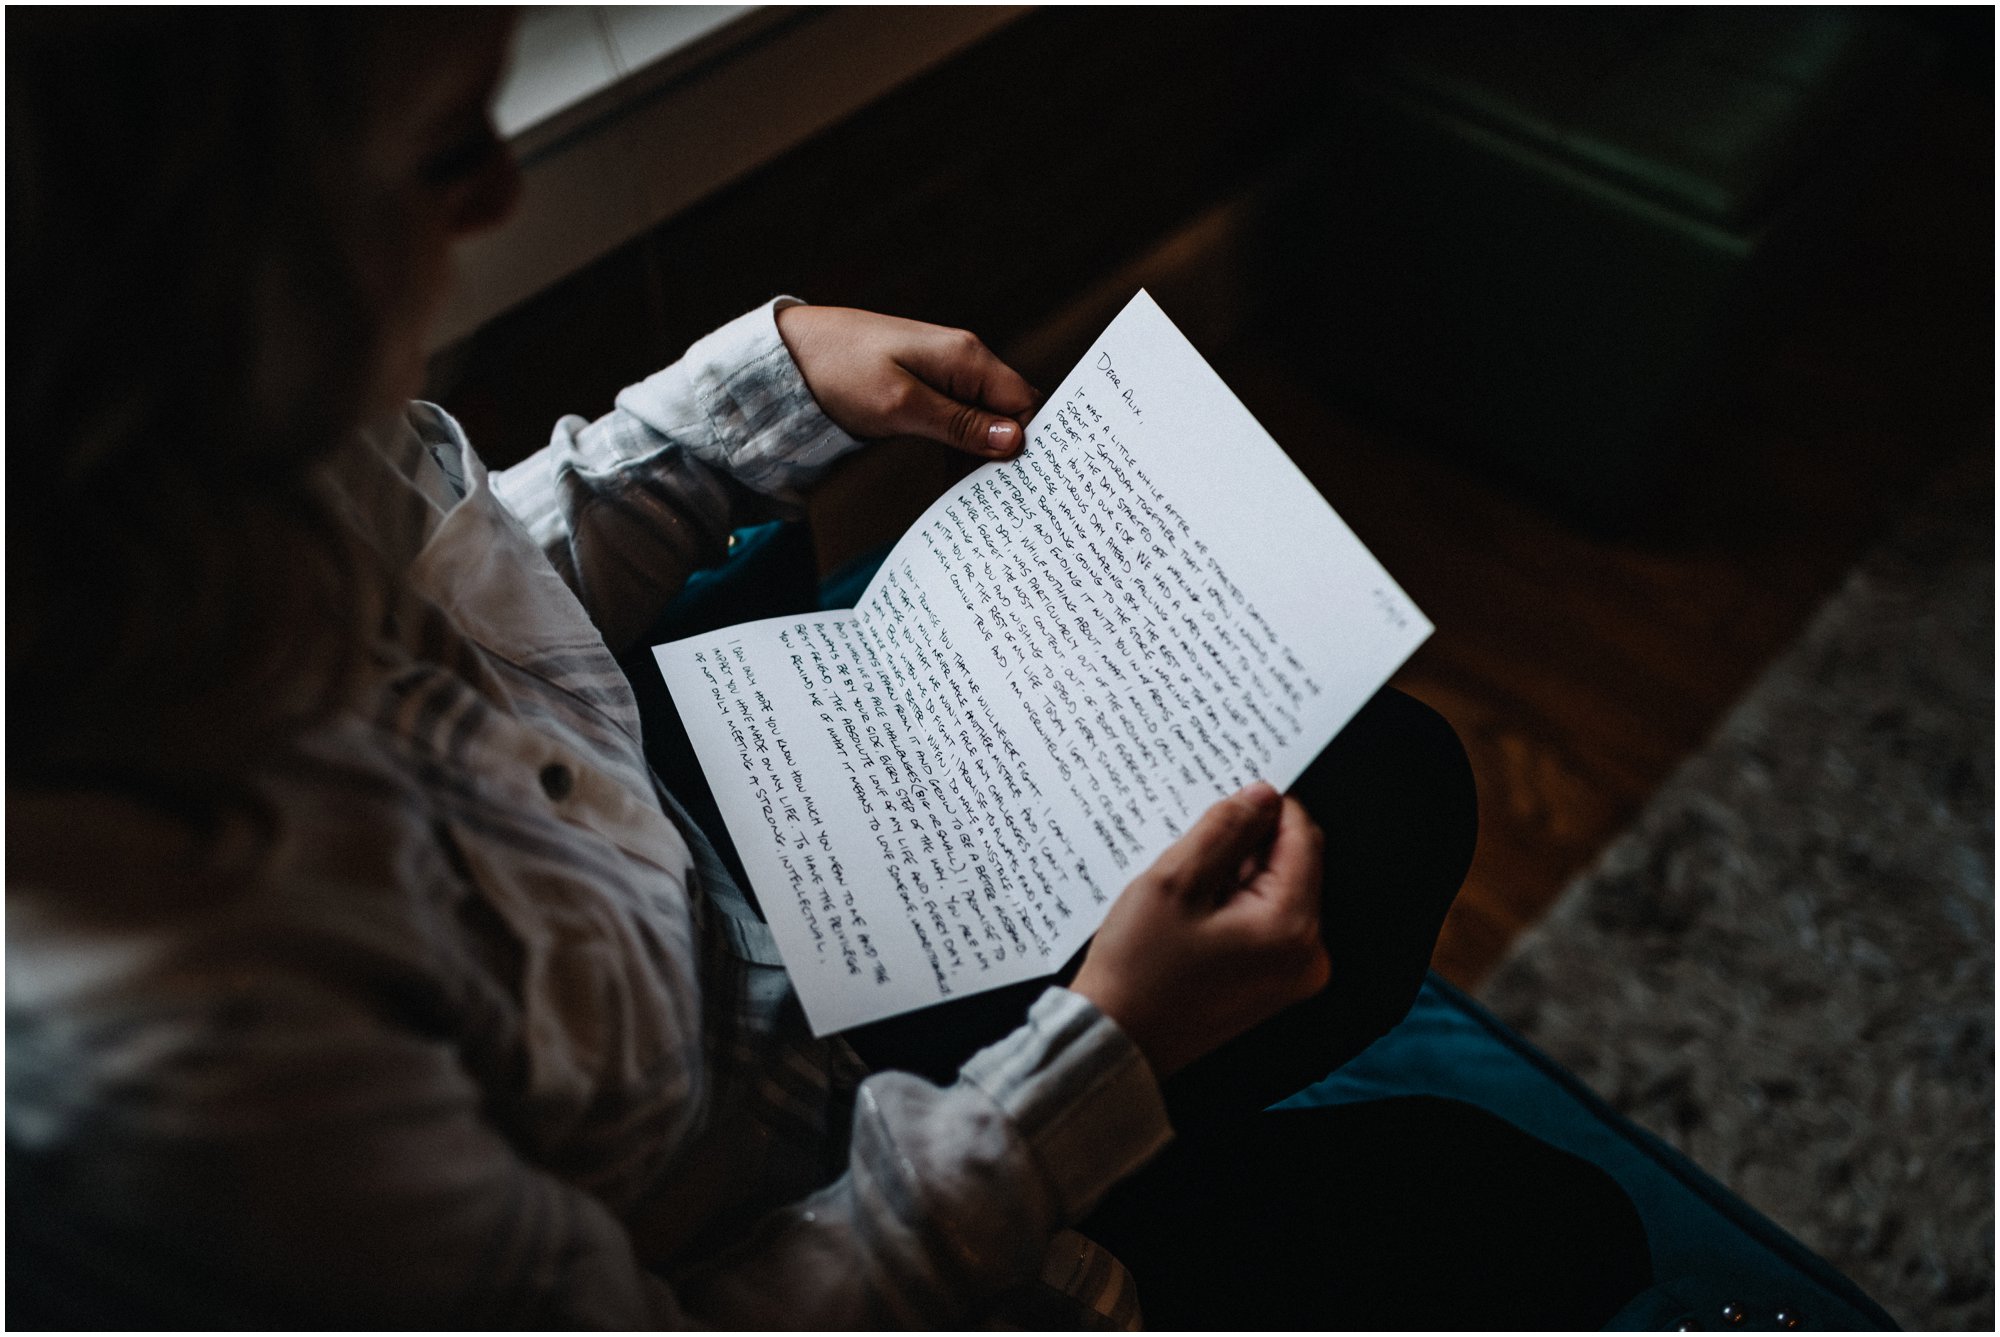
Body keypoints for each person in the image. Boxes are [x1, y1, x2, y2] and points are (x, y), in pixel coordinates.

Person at [7, 10, 1648, 1328]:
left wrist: (748, 397)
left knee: (1387, 787)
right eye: (440, 146)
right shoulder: (201, 1082)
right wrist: (1093, 1064)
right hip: (777, 1205)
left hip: (689, 897)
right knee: (1528, 1230)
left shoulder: (191, 465)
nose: (501, 191)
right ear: (205, 282)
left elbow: (469, 566)